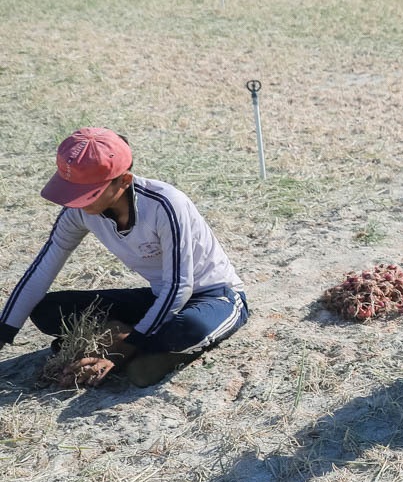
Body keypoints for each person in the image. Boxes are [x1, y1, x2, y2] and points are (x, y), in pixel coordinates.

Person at [1, 128, 249, 388]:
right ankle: (141, 343)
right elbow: (41, 270)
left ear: (124, 181)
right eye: (72, 190)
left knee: (190, 328)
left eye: (88, 193)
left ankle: (136, 348)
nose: (76, 201)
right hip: (160, 296)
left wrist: (122, 349)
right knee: (48, 310)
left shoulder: (165, 205)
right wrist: (4, 332)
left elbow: (180, 286)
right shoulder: (78, 212)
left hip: (214, 296)